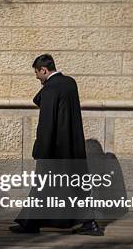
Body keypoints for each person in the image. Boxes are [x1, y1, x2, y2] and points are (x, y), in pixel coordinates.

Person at [9, 54, 103, 236]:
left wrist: (40, 149)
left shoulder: (51, 88)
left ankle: (31, 224)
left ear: (43, 70)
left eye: (37, 74)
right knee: (75, 185)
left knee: (43, 184)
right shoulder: (69, 83)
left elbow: (47, 123)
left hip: (54, 149)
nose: (37, 78)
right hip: (72, 148)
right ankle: (88, 223)